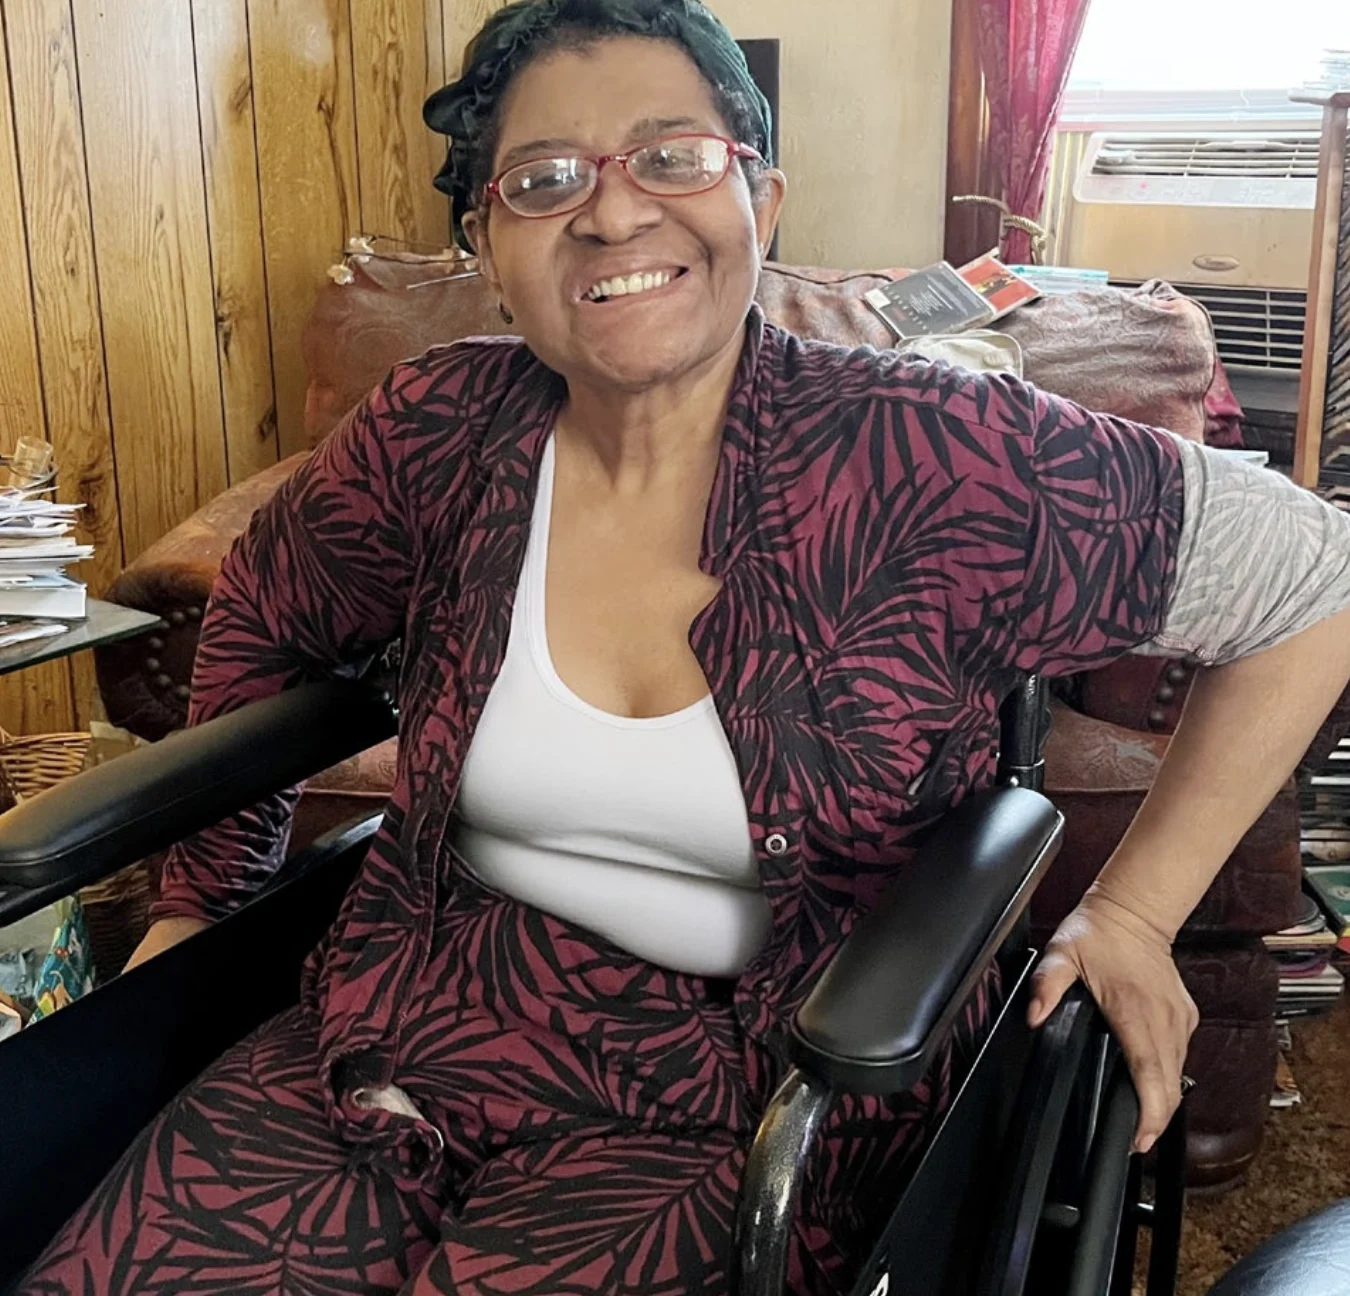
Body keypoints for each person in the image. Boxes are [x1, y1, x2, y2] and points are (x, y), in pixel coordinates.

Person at [18, 1, 1350, 1292]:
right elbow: (266, 599)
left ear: (757, 199)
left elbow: (1316, 580)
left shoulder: (939, 454)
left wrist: (1131, 912)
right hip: (392, 1037)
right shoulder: (434, 431)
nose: (608, 209)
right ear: (487, 243)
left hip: (737, 1106)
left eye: (671, 155)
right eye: (540, 179)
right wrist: (199, 895)